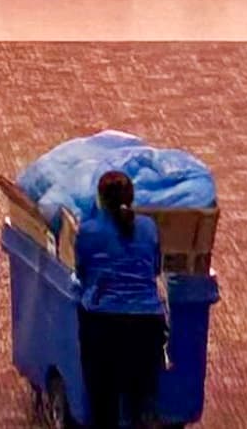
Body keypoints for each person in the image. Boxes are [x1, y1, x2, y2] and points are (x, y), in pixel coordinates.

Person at [70, 170, 167, 429]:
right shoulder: (149, 227)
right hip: (148, 323)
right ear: (131, 198)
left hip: (103, 324)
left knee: (103, 405)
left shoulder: (88, 231)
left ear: (100, 199)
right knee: (142, 404)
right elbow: (155, 268)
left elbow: (82, 272)